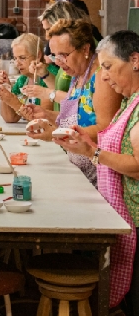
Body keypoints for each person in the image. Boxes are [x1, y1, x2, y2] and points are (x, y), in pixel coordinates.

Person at [51, 30, 139, 314]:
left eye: (110, 67)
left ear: (135, 60)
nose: (104, 77)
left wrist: (93, 153)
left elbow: (138, 167)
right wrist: (85, 145)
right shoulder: (129, 100)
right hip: (126, 212)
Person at [27, 19, 123, 187]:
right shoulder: (78, 74)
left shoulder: (101, 77)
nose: (58, 62)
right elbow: (81, 117)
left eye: (63, 55)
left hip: (99, 173)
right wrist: (47, 115)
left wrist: (56, 134)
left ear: (85, 49)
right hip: (79, 168)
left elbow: (105, 129)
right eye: (54, 55)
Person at [24, 1, 94, 113]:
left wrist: (47, 94)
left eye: (48, 29)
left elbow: (86, 103)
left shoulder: (86, 56)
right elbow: (61, 89)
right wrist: (45, 74)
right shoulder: (67, 54)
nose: (47, 36)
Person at [0, 33, 53, 123]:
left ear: (38, 56)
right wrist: (5, 90)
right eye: (15, 58)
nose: (17, 63)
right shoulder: (23, 79)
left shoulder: (49, 77)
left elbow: (44, 122)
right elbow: (10, 118)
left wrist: (13, 102)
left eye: (22, 58)